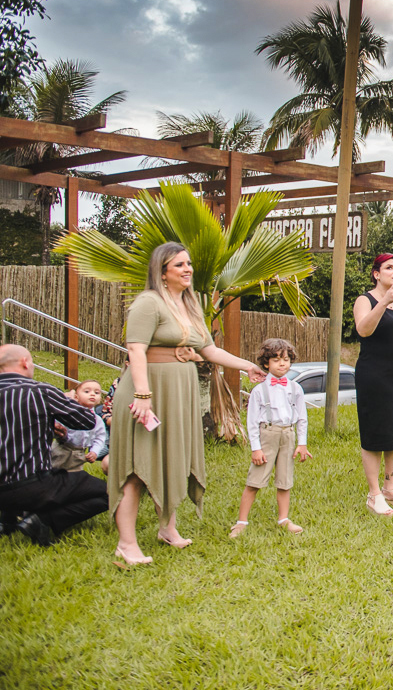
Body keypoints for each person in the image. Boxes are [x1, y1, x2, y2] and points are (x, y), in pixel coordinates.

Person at [110, 242, 267, 565]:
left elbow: (209, 351)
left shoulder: (191, 304)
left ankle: (167, 528)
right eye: (179, 265)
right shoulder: (148, 302)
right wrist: (142, 394)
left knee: (172, 458)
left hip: (179, 392)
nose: (187, 269)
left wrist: (245, 365)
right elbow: (136, 350)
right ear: (162, 272)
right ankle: (126, 544)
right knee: (137, 466)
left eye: (188, 263)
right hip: (148, 390)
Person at [0, 345, 108, 546]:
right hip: (33, 487)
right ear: (25, 362)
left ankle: (6, 521)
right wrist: (68, 400)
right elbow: (87, 421)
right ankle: (42, 521)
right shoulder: (40, 391)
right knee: (109, 493)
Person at [353, 253, 393, 516]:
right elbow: (363, 330)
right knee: (375, 434)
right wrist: (384, 302)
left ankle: (390, 488)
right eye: (389, 267)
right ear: (376, 274)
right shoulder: (365, 300)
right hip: (374, 376)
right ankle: (374, 495)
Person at [230, 339, 311, 538]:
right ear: (266, 364)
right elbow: (252, 422)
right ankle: (241, 521)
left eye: (285, 359)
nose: (282, 364)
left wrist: (302, 443)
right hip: (267, 435)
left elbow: (302, 418)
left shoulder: (295, 389)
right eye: (276, 360)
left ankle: (283, 519)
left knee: (285, 480)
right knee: (255, 480)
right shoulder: (259, 391)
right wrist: (255, 448)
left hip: (288, 435)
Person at [50, 380, 109, 475]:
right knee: (53, 472)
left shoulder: (97, 420)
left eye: (97, 392)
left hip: (79, 452)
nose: (92, 394)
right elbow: (57, 427)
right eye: (87, 391)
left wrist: (94, 451)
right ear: (76, 397)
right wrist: (61, 435)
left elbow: (100, 437)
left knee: (74, 475)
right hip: (61, 449)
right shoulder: (69, 413)